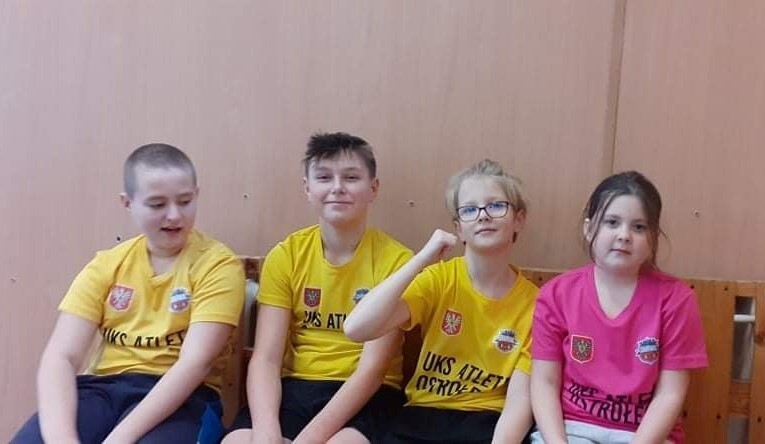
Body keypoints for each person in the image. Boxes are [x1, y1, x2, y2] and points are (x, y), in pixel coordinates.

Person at [12, 143, 245, 444]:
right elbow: (61, 356)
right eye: (157, 205)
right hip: (101, 390)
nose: (174, 215)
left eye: (185, 201)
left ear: (196, 195)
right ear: (128, 202)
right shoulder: (107, 264)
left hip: (183, 399)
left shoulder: (218, 265)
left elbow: (194, 364)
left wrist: (118, 440)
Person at [223, 132, 412, 444]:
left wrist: (307, 440)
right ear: (308, 188)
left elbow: (372, 371)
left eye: (351, 177)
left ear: (373, 188)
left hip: (368, 395)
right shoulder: (287, 255)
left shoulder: (396, 262)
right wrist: (267, 433)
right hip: (295, 387)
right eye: (324, 177)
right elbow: (266, 358)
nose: (337, 187)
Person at [344, 159, 537, 444]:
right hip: (421, 416)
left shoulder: (536, 303)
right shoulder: (439, 278)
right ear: (459, 228)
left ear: (519, 219)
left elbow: (519, 402)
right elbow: (356, 328)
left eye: (496, 206)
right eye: (469, 210)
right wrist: (422, 259)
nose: (483, 216)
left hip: (487, 422)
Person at [530, 171, 708, 444]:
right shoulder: (556, 294)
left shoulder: (676, 298)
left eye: (639, 227)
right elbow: (544, 383)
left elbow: (670, 394)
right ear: (589, 228)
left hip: (645, 435)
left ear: (653, 238)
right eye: (612, 222)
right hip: (572, 429)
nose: (624, 235)